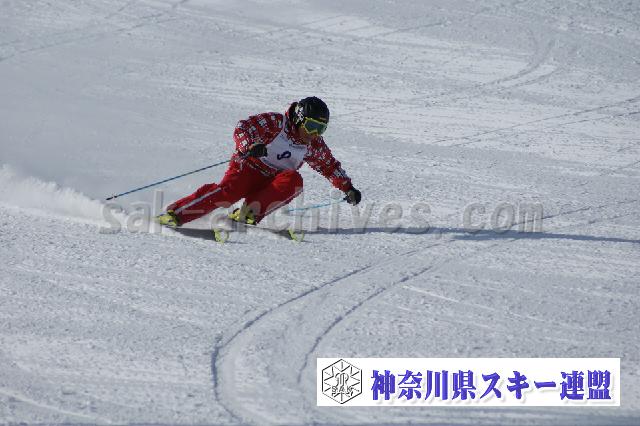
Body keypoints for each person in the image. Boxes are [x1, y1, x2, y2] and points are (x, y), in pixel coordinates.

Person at [155, 96, 361, 228]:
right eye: (312, 126)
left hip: (271, 181)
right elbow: (243, 127)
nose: (314, 133)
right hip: (248, 168)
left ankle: (249, 213)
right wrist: (250, 145)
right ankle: (176, 214)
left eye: (321, 129)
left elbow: (328, 166)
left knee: (294, 181)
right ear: (299, 119)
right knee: (229, 193)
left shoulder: (313, 144)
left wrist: (348, 188)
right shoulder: (276, 123)